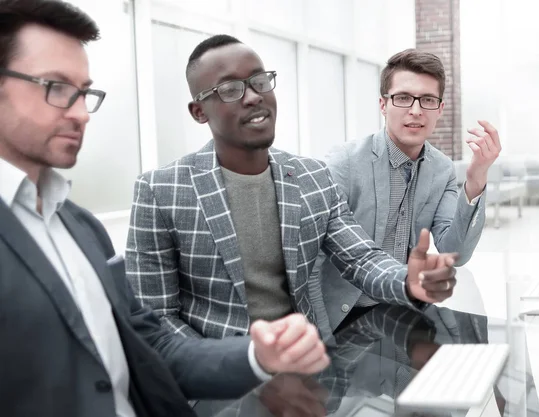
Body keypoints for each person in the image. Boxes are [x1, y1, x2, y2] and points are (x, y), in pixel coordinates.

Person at [0, 2, 326, 416]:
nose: (81, 113)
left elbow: (151, 345)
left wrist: (257, 357)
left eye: (85, 93)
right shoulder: (160, 189)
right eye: (56, 87)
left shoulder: (80, 227)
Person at [125, 34, 459, 360]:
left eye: (259, 81)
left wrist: (408, 282)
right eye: (230, 89)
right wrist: (245, 364)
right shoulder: (160, 191)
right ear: (199, 111)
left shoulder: (311, 176)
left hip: (309, 369)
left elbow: (360, 259)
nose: (253, 96)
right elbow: (155, 319)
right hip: (218, 386)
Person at [312, 49, 501, 334]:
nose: (415, 111)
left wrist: (476, 178)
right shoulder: (345, 162)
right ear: (383, 104)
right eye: (402, 98)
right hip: (345, 317)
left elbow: (456, 253)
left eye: (427, 100)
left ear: (440, 108)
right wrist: (320, 338)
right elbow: (312, 260)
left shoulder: (442, 169)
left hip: (406, 314)